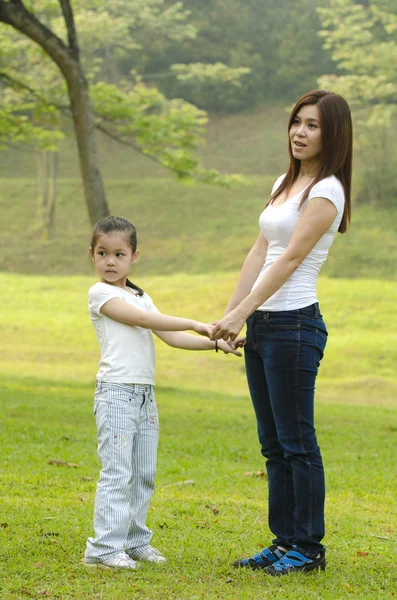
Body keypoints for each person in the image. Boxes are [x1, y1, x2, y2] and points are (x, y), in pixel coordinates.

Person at [211, 90, 353, 576]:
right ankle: (283, 540)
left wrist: (246, 311)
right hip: (263, 323)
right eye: (296, 121)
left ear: (331, 133)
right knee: (272, 443)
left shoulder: (328, 190)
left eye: (312, 125)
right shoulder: (283, 183)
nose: (299, 131)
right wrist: (232, 316)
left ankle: (308, 548)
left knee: (297, 442)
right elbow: (259, 253)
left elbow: (291, 260)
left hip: (294, 324)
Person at [83, 216, 241, 570]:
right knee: (118, 472)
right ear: (92, 255)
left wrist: (214, 343)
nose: (110, 261)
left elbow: (169, 337)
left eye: (119, 254)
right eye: (103, 253)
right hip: (117, 393)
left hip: (143, 396)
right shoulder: (101, 294)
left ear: (134, 256)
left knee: (143, 472)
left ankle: (134, 541)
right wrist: (194, 322)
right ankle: (104, 548)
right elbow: (144, 322)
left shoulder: (140, 296)